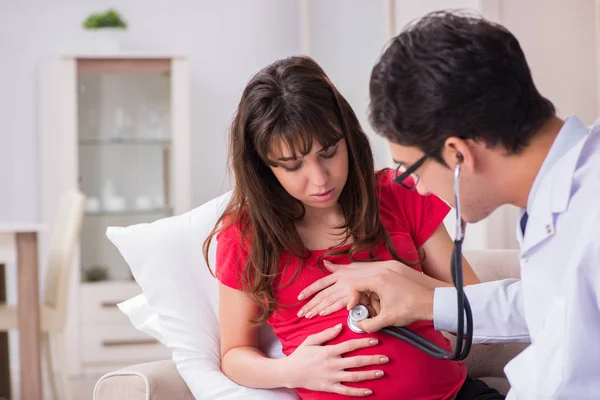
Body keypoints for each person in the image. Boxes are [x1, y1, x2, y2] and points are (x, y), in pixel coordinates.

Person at [300, 10, 600, 400]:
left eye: (412, 170)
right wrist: (426, 302)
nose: (420, 190)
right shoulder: (562, 193)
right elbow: (553, 304)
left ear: (458, 155)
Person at [203, 55, 502, 399]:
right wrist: (290, 371)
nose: (319, 179)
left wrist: (392, 276)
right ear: (264, 168)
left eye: (329, 152)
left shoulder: (401, 193)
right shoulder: (245, 235)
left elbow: (479, 307)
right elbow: (234, 355)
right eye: (292, 165)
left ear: (348, 137)